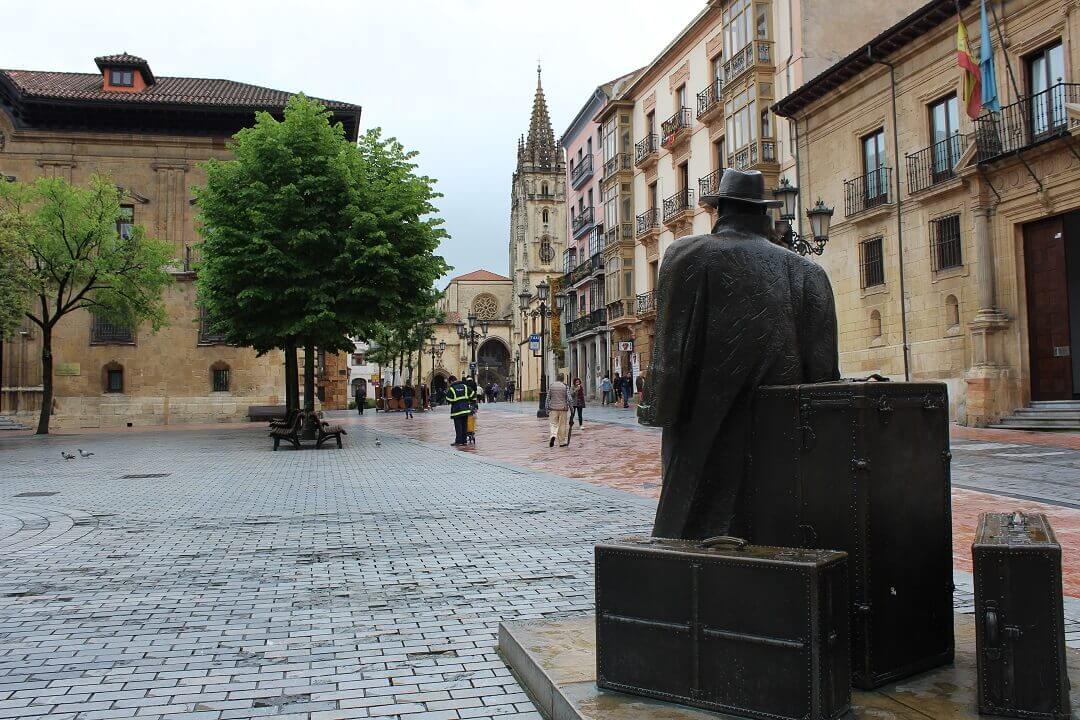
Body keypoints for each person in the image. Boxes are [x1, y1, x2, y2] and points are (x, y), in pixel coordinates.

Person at [640, 169, 839, 540]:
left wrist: (660, 412)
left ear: (720, 212)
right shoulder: (808, 272)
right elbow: (823, 375)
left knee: (692, 530)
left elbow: (669, 352)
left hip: (699, 430)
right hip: (781, 442)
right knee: (772, 531)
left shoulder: (685, 255)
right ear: (763, 214)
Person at [446, 375, 474, 446]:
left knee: (458, 426)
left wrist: (454, 401)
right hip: (465, 409)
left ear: (451, 381)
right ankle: (464, 441)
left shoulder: (452, 389)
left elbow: (448, 399)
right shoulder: (465, 386)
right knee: (464, 425)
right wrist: (469, 401)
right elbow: (472, 394)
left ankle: (459, 441)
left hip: (456, 410)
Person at [546, 373, 572, 447]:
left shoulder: (551, 386)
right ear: (563, 378)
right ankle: (562, 442)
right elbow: (569, 399)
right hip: (563, 408)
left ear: (556, 378)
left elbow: (548, 398)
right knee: (562, 425)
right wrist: (571, 409)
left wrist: (547, 408)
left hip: (553, 408)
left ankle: (553, 436)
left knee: (553, 424)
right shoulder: (565, 386)